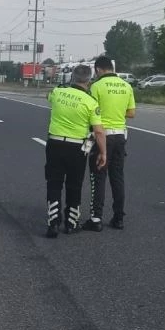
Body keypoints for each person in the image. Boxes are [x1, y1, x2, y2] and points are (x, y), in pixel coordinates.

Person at [44, 64, 107, 238]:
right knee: (74, 185)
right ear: (90, 79)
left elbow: (47, 95)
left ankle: (53, 223)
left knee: (54, 183)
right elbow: (99, 131)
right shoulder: (90, 102)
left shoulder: (58, 92)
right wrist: (103, 153)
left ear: (72, 76)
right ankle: (71, 223)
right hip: (77, 148)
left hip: (55, 143)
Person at [84, 56, 136, 231]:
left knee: (98, 177)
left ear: (98, 69)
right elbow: (131, 113)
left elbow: (90, 111)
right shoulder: (126, 86)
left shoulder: (96, 86)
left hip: (100, 135)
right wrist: (117, 112)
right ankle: (119, 217)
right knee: (117, 177)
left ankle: (96, 218)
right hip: (120, 135)